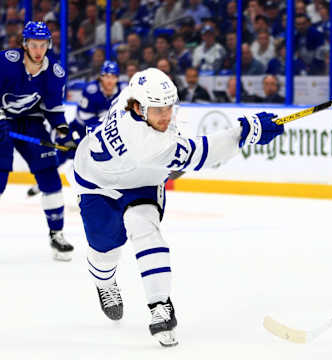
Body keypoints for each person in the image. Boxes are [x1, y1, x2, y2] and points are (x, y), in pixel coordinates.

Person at [72, 67, 284, 346]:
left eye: (168, 107)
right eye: (158, 109)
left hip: (143, 182)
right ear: (138, 107)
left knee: (143, 224)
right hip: (97, 183)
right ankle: (105, 281)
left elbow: (177, 146)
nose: (166, 115)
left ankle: (159, 306)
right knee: (105, 251)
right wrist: (245, 133)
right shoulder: (145, 142)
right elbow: (201, 154)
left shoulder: (133, 98)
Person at [0, 21, 74, 261]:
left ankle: (57, 235)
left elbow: (52, 108)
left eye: (43, 45)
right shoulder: (7, 63)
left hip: (31, 122)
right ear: (25, 44)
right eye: (33, 45)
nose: (38, 50)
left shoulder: (54, 72)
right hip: (2, 118)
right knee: (1, 174)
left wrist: (62, 130)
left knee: (50, 176)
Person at [27, 60, 126, 197]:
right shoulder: (91, 90)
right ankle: (42, 183)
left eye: (113, 76)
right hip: (78, 131)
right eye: (107, 76)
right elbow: (84, 118)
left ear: (117, 78)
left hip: (103, 134)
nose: (110, 80)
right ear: (101, 77)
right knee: (59, 157)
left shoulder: (123, 92)